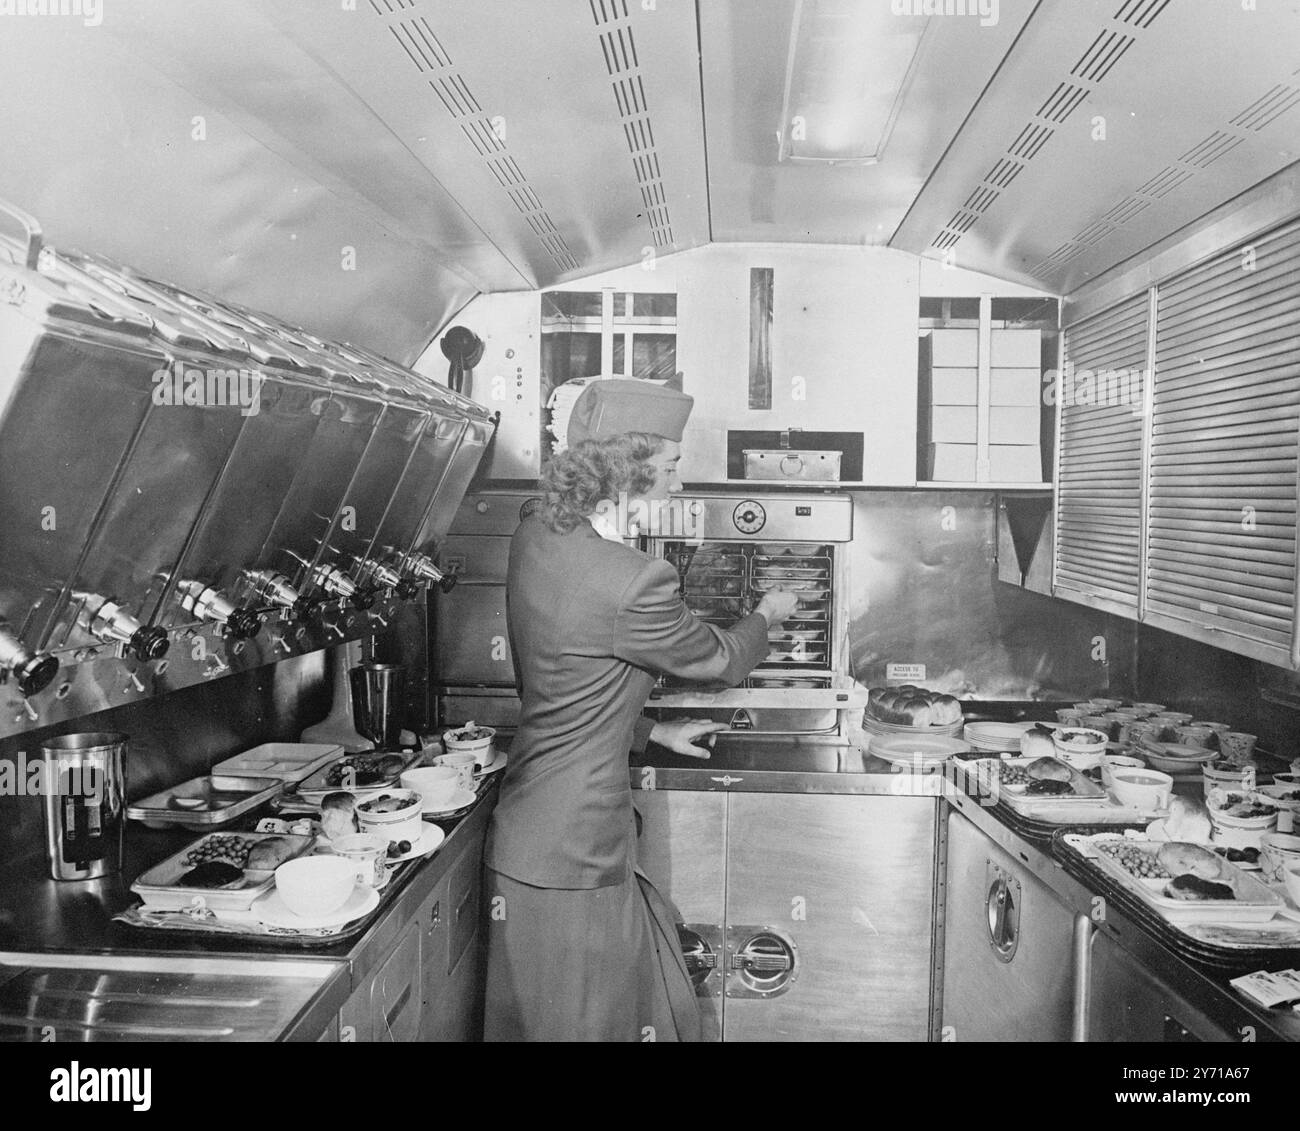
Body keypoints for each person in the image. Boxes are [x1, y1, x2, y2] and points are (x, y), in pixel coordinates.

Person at [482, 379, 798, 1042]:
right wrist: (768, 614)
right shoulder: (631, 579)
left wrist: (652, 727)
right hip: (574, 853)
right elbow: (719, 659)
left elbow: (570, 676)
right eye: (674, 466)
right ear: (629, 466)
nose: (679, 485)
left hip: (533, 837)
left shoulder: (536, 531)